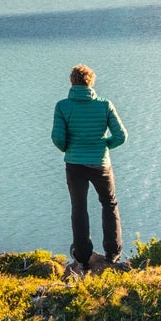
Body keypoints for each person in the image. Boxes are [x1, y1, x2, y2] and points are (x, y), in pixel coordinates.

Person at [50, 63, 128, 272]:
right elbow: (121, 136)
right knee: (109, 204)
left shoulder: (63, 106)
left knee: (79, 208)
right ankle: (113, 253)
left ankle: (83, 258)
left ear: (72, 82)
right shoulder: (105, 105)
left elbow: (57, 138)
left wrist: (69, 148)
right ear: (91, 82)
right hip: (101, 164)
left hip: (75, 164)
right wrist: (103, 146)